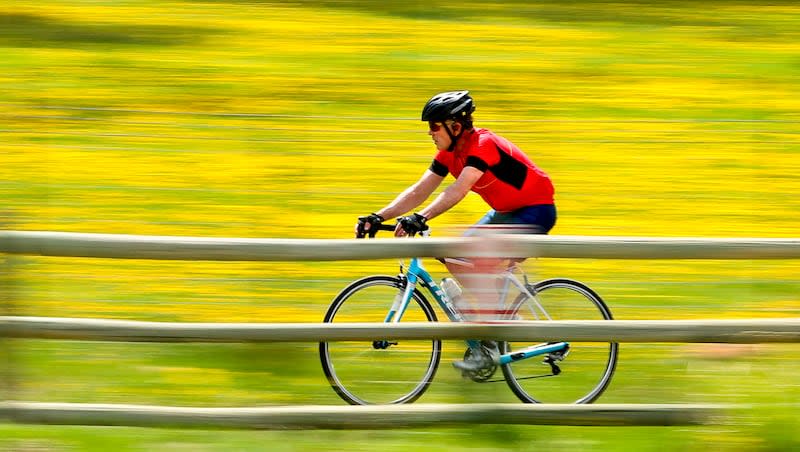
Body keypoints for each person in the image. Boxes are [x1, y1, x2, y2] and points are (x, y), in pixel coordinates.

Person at [356, 90, 556, 373]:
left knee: (476, 256)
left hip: (536, 211)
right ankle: (492, 323)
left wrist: (421, 218)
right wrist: (378, 216)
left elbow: (458, 190)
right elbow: (419, 190)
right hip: (504, 213)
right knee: (452, 257)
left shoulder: (483, 145)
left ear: (456, 126)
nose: (430, 133)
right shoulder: (450, 154)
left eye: (434, 126)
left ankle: (492, 332)